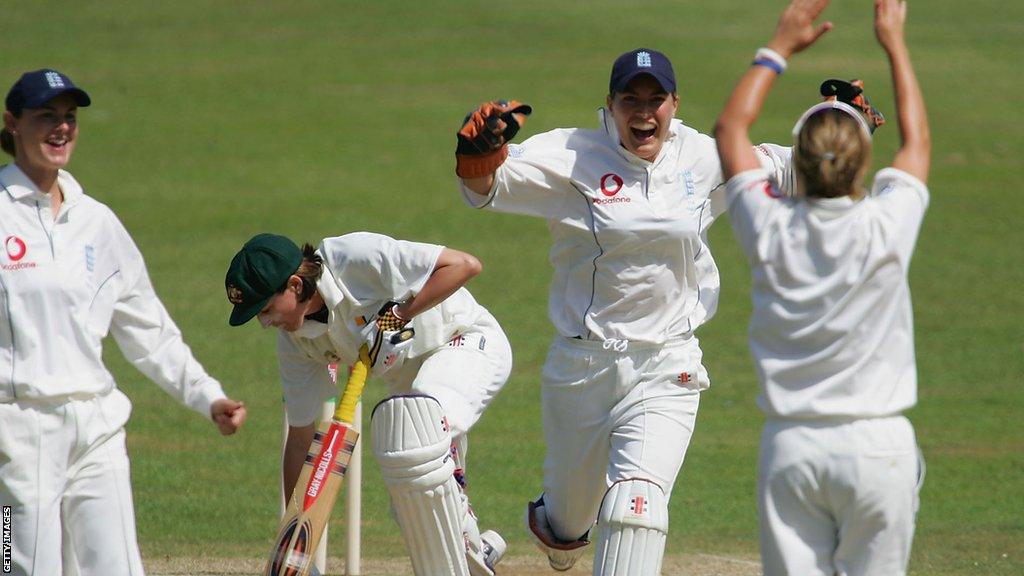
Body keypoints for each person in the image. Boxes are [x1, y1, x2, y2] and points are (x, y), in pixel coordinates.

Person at [454, 46, 795, 574]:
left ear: (675, 104)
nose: (643, 111)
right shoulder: (571, 154)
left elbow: (805, 164)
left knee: (638, 507)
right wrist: (476, 152)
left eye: (655, 98)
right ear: (609, 105)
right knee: (569, 524)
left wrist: (847, 123)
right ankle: (559, 529)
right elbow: (485, 184)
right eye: (629, 98)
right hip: (583, 365)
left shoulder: (705, 158)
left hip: (668, 364)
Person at [0, 69, 248, 576]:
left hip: (95, 426)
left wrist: (208, 396)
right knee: (19, 567)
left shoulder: (96, 221)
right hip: (15, 434)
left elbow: (147, 327)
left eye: (68, 118)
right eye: (46, 116)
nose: (60, 128)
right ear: (12, 124)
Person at [713, 0, 929, 573]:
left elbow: (730, 128)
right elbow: (917, 143)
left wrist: (779, 46)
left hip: (794, 447)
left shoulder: (768, 225)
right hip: (880, 447)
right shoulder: (888, 222)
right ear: (862, 165)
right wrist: (894, 41)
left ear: (796, 164)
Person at [224, 231, 511, 576]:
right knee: (409, 498)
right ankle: (475, 547)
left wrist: (400, 314)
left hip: (466, 340)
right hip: (410, 389)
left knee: (416, 432)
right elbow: (300, 438)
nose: (265, 322)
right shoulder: (295, 342)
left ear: (296, 286)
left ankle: (463, 526)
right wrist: (296, 546)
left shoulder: (354, 258)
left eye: (266, 309)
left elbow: (464, 265)